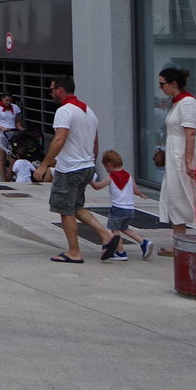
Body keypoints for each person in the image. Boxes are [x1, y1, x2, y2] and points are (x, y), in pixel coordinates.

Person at [36, 76, 117, 263]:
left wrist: (43, 165)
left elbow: (59, 139)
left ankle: (74, 252)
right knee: (76, 207)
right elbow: (95, 142)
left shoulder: (64, 111)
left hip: (70, 169)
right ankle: (106, 236)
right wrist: (90, 161)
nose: (50, 93)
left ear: (60, 90)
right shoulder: (88, 111)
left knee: (66, 211)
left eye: (52, 89)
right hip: (86, 166)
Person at [157, 67, 196, 256]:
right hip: (175, 155)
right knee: (175, 198)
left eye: (162, 83)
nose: (160, 87)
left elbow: (191, 133)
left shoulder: (187, 103)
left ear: (173, 84)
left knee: (193, 198)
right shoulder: (178, 103)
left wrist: (188, 161)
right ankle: (179, 242)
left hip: (183, 155)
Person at [90, 150, 152, 261]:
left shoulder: (111, 177)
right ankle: (144, 242)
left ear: (109, 165)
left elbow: (98, 187)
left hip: (117, 209)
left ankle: (121, 253)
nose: (106, 170)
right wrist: (141, 194)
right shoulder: (128, 175)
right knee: (124, 228)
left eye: (105, 167)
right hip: (130, 209)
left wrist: (91, 180)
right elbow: (135, 190)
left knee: (115, 231)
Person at [0, 92, 24, 181]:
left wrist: (19, 127)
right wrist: (2, 128)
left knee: (13, 159)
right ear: (2, 99)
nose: (8, 102)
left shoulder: (15, 108)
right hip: (0, 136)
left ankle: (8, 178)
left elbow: (17, 121)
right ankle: (4, 180)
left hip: (12, 136)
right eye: (6, 100)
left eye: (10, 101)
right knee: (2, 160)